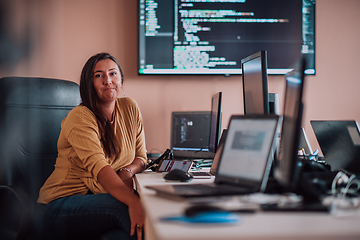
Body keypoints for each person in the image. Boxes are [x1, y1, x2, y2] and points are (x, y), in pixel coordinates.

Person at [34, 52, 147, 240]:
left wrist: (126, 171)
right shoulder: (81, 117)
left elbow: (142, 157)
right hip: (57, 207)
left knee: (125, 232)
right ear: (89, 84)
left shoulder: (130, 108)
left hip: (99, 202)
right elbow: (101, 170)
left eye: (113, 73)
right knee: (126, 208)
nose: (107, 80)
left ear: (121, 78)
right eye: (98, 75)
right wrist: (133, 201)